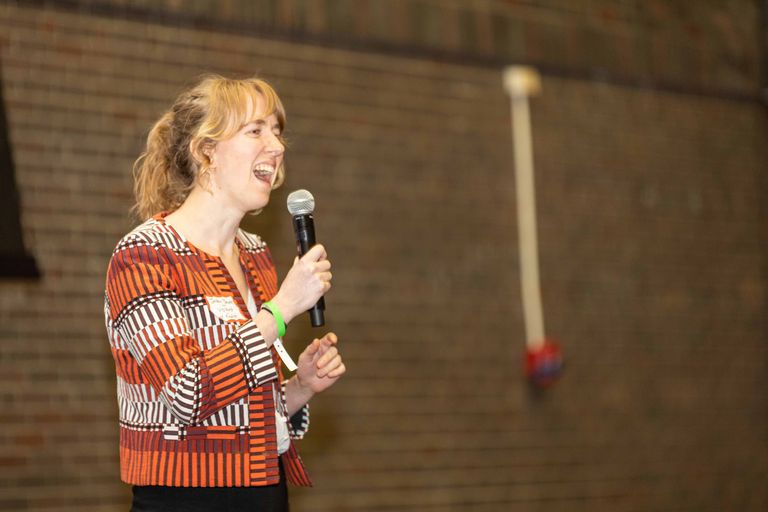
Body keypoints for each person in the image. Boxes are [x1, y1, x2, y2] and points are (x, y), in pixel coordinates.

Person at [104, 75, 345, 512]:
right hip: (184, 498)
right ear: (206, 151)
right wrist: (282, 308)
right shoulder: (144, 255)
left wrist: (301, 388)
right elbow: (187, 393)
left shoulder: (254, 254)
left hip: (265, 487)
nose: (277, 146)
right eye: (255, 130)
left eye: (277, 131)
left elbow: (241, 405)